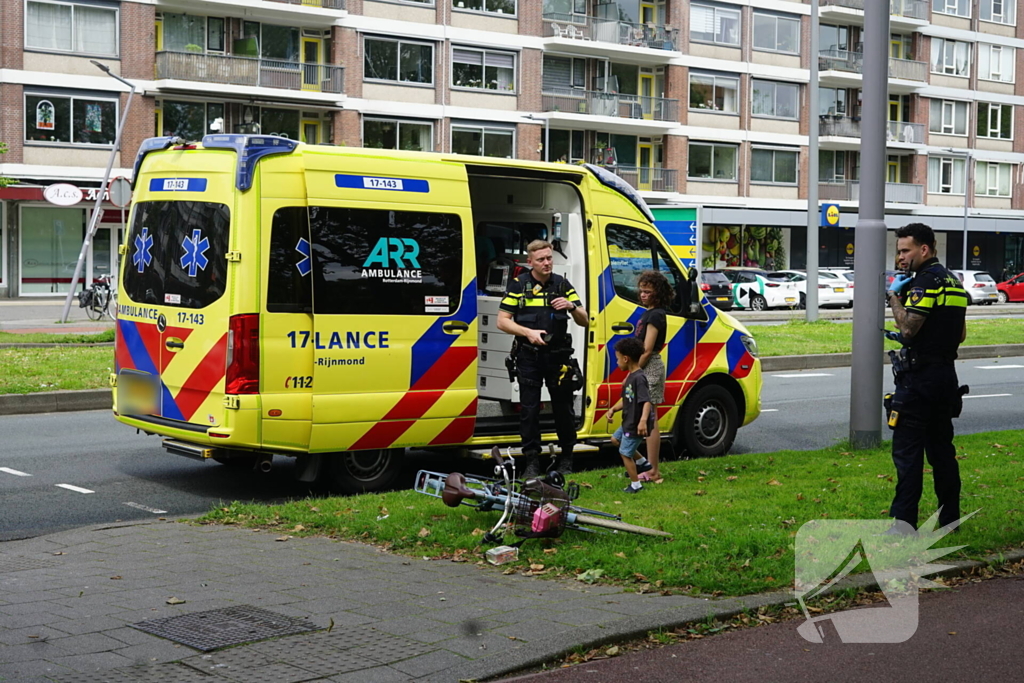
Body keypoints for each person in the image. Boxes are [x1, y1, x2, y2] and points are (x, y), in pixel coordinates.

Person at [884, 222, 968, 534]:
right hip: (945, 378)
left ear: (924, 249)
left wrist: (894, 296)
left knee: (908, 454)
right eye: (898, 251)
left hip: (918, 381)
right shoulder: (953, 282)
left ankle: (904, 526)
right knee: (943, 453)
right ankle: (950, 521)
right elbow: (960, 333)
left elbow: (908, 329)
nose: (901, 257)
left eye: (905, 250)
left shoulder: (925, 282)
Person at [497, 240, 589, 476]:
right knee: (529, 411)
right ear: (530, 262)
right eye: (541, 259)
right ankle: (531, 462)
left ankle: (566, 459)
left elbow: (584, 319)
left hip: (558, 358)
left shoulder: (561, 284)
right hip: (529, 356)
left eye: (549, 258)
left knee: (563, 409)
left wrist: (572, 306)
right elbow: (502, 321)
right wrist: (528, 332)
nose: (547, 263)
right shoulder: (519, 285)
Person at [635, 270, 674, 481]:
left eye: (647, 291)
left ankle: (653, 470)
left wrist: (635, 371)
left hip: (649, 366)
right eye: (641, 290)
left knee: (650, 418)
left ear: (657, 293)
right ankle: (648, 467)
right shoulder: (648, 312)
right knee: (647, 417)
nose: (643, 295)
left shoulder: (656, 314)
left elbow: (648, 348)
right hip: (646, 366)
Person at [604, 336, 654, 494]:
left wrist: (643, 421)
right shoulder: (630, 378)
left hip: (636, 422)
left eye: (617, 359)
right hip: (628, 421)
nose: (617, 362)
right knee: (615, 439)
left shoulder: (639, 378)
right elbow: (627, 400)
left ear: (626, 359)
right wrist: (613, 409)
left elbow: (646, 402)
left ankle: (636, 485)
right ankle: (641, 462)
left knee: (625, 453)